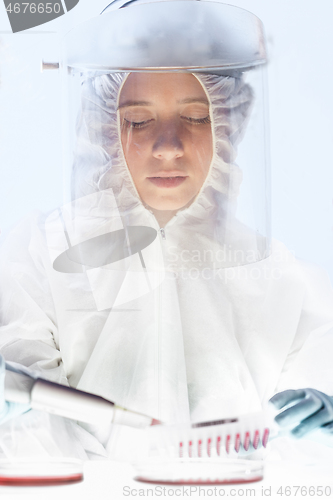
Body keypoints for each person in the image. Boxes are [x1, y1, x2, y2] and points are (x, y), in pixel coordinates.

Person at [0, 0, 333, 461]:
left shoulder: (281, 281)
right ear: (103, 130)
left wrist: (324, 416)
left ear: (228, 122)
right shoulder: (42, 256)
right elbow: (29, 430)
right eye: (138, 120)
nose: (168, 147)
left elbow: (314, 391)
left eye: (196, 117)